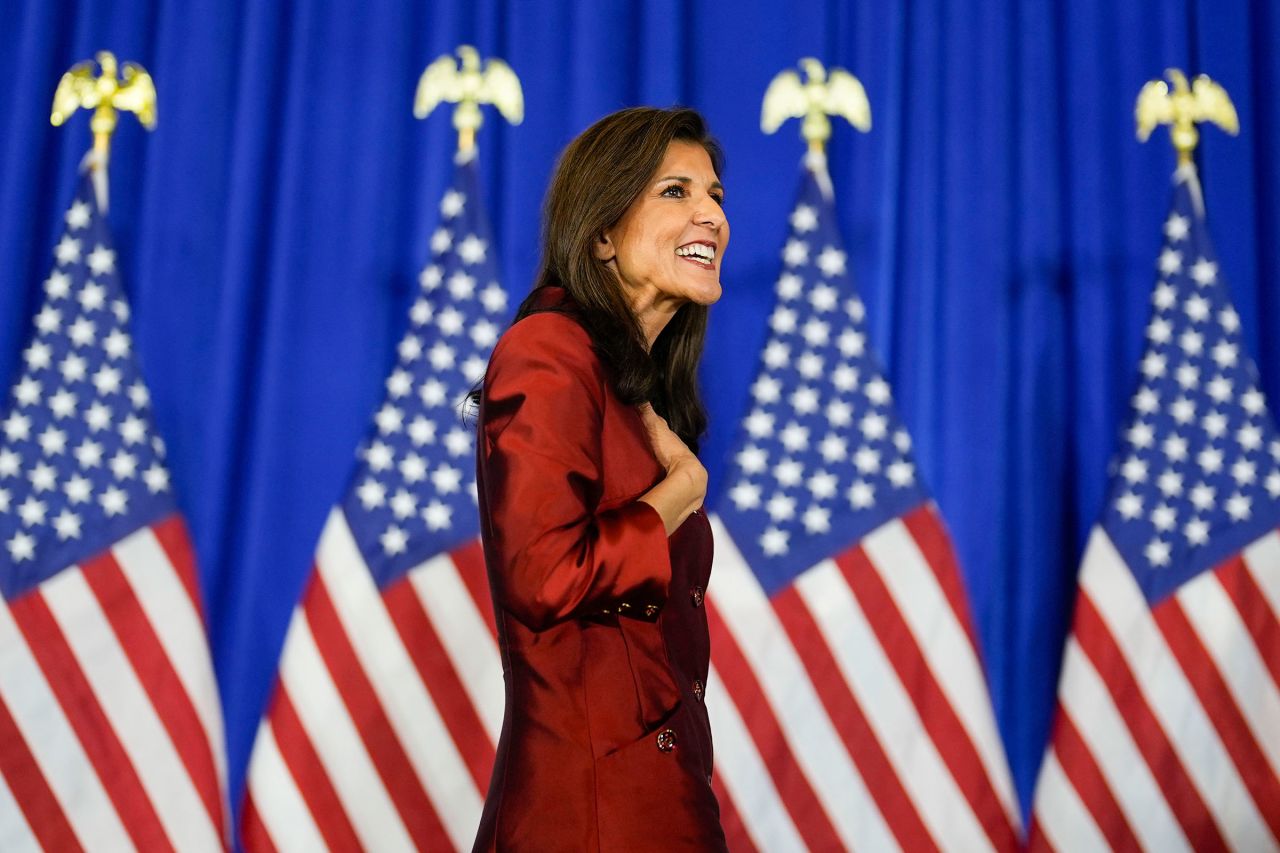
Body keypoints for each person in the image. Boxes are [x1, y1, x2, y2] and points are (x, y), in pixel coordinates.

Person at [472, 106, 730, 852]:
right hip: (587, 820)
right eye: (676, 191)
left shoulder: (629, 388)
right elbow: (545, 574)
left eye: (715, 195)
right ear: (602, 232)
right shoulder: (548, 350)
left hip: (656, 808)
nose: (711, 214)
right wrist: (679, 491)